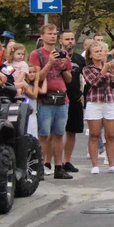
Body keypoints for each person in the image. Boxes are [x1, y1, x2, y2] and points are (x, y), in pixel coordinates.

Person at [30, 24, 74, 180]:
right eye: (49, 34)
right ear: (42, 36)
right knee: (44, 134)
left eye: (55, 34)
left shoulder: (63, 53)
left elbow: (69, 79)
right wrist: (49, 63)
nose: (53, 36)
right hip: (45, 98)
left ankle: (59, 167)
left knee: (59, 133)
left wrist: (63, 68)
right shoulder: (37, 54)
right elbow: (38, 78)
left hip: (62, 98)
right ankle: (40, 167)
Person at [83, 41, 114, 174]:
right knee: (94, 134)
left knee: (110, 135)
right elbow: (95, 83)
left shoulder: (108, 65)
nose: (100, 53)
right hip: (95, 102)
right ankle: (95, 165)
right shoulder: (87, 69)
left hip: (109, 101)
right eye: (96, 52)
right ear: (91, 55)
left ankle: (111, 164)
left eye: (101, 51)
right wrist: (104, 72)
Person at [60, 30, 84, 176]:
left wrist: (83, 94)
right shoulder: (56, 56)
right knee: (56, 132)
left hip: (75, 98)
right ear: (61, 41)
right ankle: (51, 162)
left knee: (72, 131)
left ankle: (66, 161)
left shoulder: (79, 59)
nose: (70, 42)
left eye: (72, 39)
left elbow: (84, 78)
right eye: (67, 39)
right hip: (59, 97)